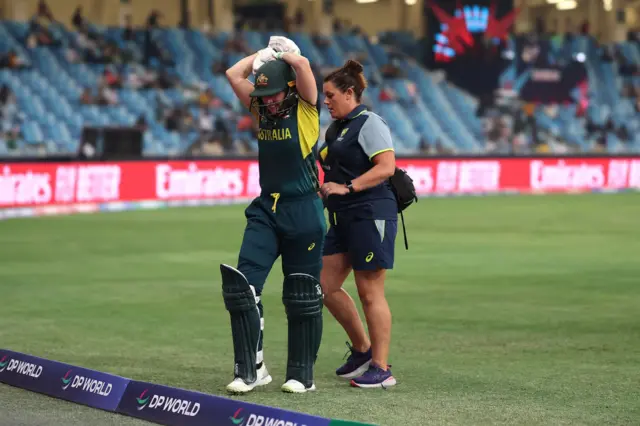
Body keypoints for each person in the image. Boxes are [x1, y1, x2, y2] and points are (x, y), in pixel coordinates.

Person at [222, 39, 326, 394]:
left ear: (291, 90)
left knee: (302, 295)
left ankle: (301, 374)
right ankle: (251, 369)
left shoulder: (307, 110)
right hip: (267, 208)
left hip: (304, 210)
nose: (268, 100)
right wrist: (259, 57)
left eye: (276, 93)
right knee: (241, 289)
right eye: (264, 95)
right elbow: (233, 73)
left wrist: (285, 56)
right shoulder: (260, 110)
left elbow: (306, 69)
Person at [318, 59, 398, 389]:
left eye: (330, 95)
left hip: (370, 213)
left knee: (369, 291)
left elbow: (387, 167)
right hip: (342, 218)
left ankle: (381, 369)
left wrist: (347, 187)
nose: (326, 101)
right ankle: (363, 351)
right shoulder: (336, 128)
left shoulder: (370, 123)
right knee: (324, 285)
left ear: (350, 93)